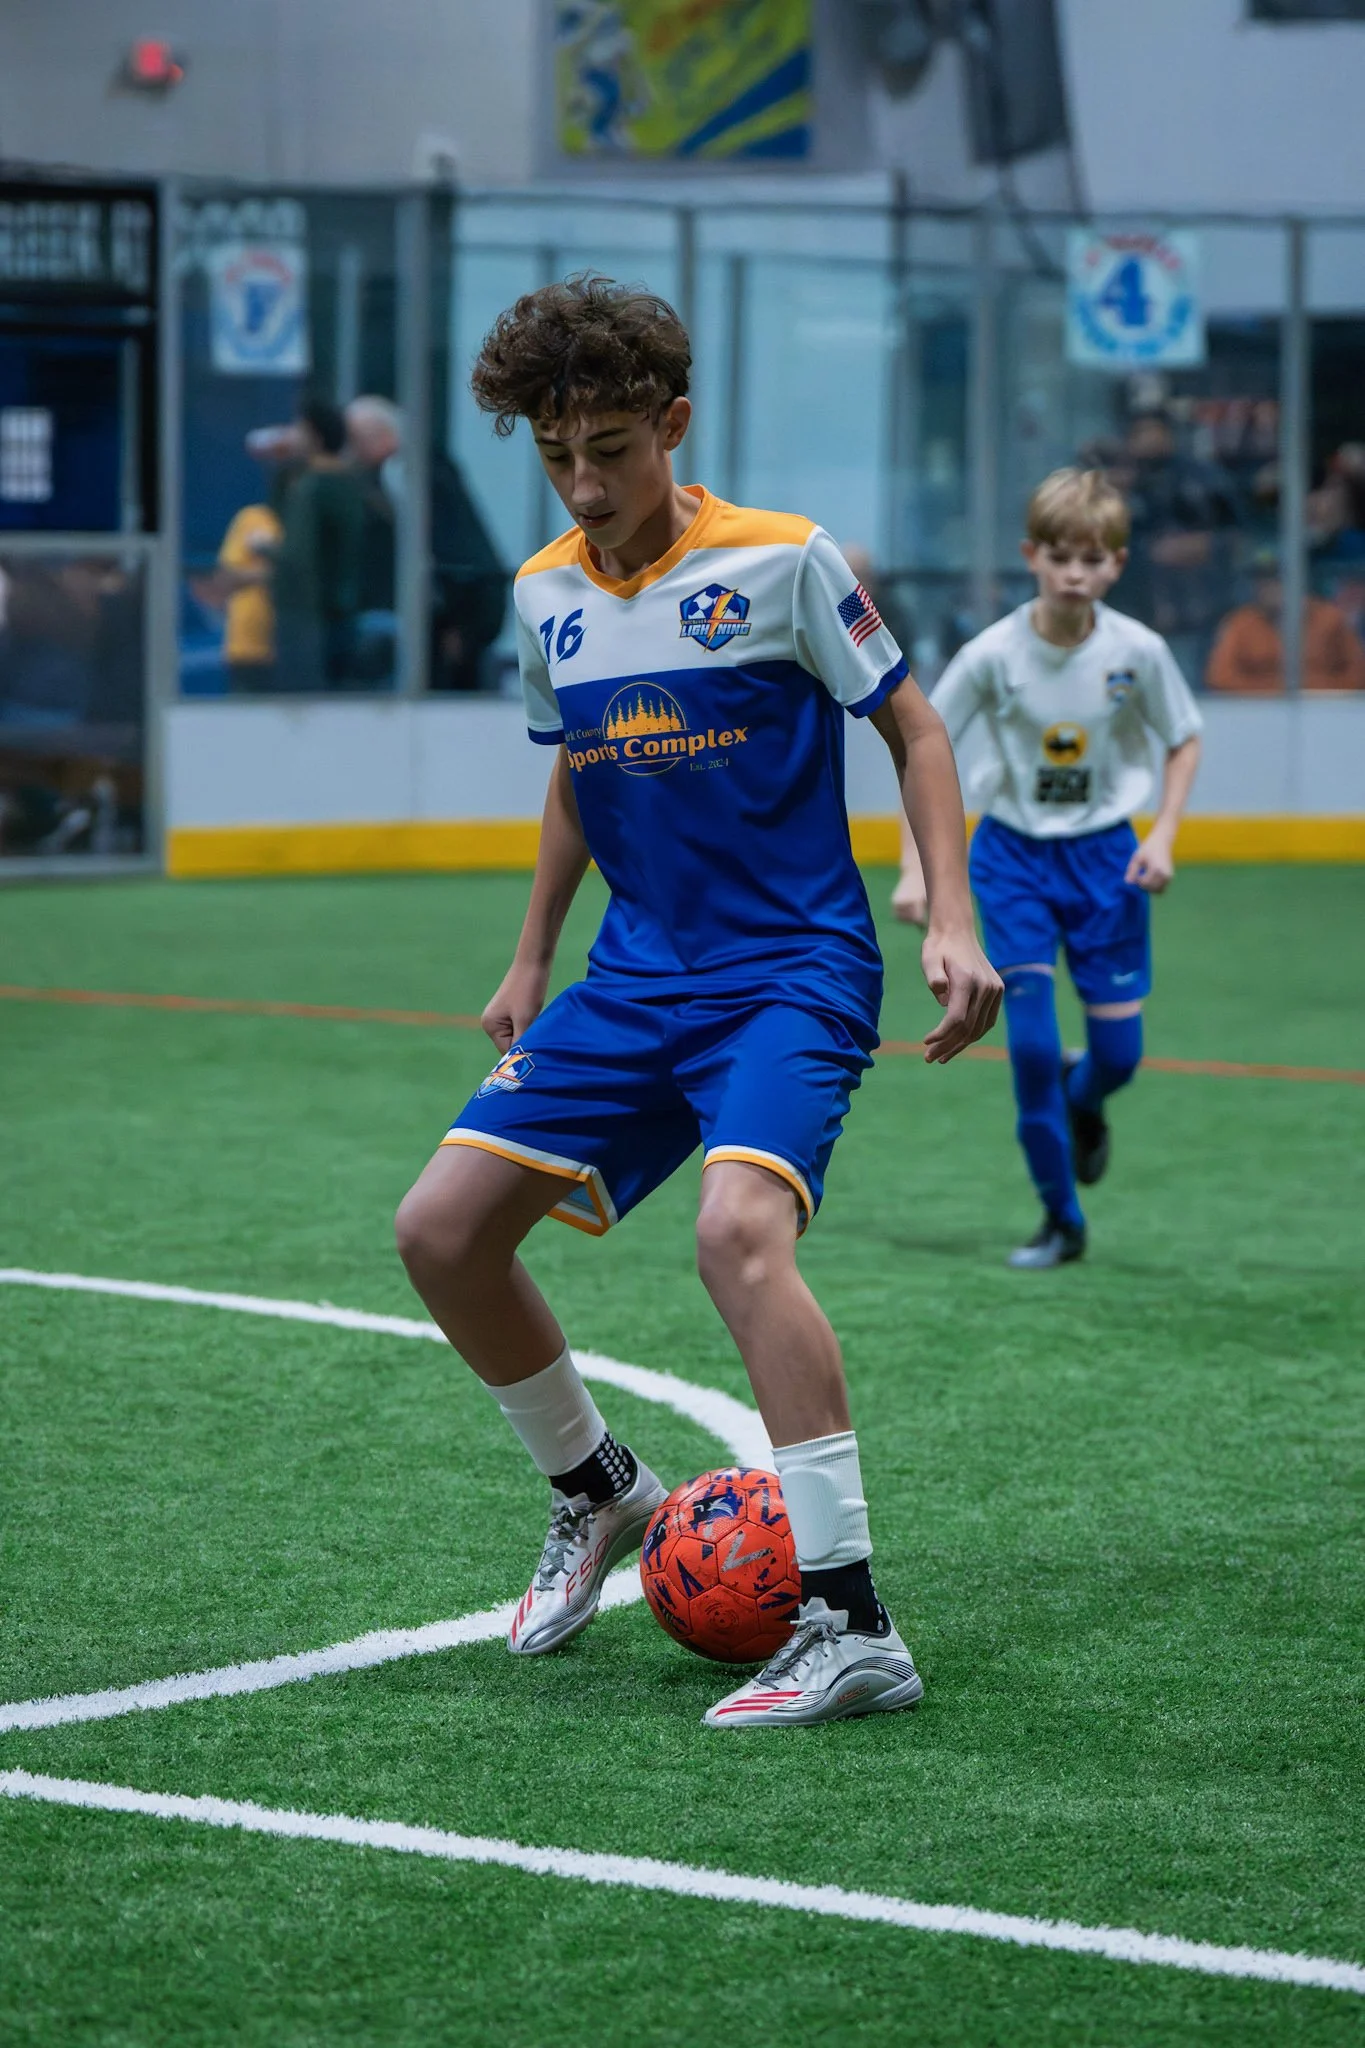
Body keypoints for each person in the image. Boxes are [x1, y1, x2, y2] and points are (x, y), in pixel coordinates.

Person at [394, 275, 1001, 1729]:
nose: (586, 483)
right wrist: (533, 951)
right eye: (556, 457)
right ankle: (597, 1488)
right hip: (633, 976)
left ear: (672, 423)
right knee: (439, 1231)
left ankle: (851, 1624)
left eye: (612, 448)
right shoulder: (546, 590)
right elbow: (574, 770)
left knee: (738, 1234)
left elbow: (911, 724)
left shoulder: (788, 562)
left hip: (791, 968)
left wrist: (953, 913)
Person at [894, 468, 1203, 1270]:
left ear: (1116, 564)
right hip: (1011, 860)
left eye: (1092, 559)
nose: (1075, 572)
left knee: (1119, 1060)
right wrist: (914, 871)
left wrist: (1161, 835)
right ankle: (1060, 1220)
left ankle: (1086, 1103)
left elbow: (1183, 736)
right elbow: (921, 746)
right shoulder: (991, 655)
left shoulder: (1138, 651)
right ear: (1031, 555)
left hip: (1107, 861)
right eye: (1060, 555)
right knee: (1028, 1050)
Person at [345, 395, 510, 691]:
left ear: (381, 436)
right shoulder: (421, 470)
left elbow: (450, 543)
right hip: (453, 605)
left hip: (458, 608)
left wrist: (459, 619)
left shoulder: (414, 474)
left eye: (356, 440)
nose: (351, 452)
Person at [271, 399, 366, 692]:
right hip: (347, 611)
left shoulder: (311, 487)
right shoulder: (353, 484)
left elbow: (296, 555)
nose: (290, 435)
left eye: (298, 429)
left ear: (315, 437)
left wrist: (263, 549)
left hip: (308, 618)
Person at [1206, 554, 1365, 694]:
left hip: (1329, 711)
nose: (1268, 588)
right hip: (1259, 713)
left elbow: (1358, 674)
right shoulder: (1241, 623)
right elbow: (1220, 677)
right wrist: (1276, 692)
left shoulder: (1330, 618)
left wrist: (1318, 691)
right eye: (1261, 581)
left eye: (1276, 580)